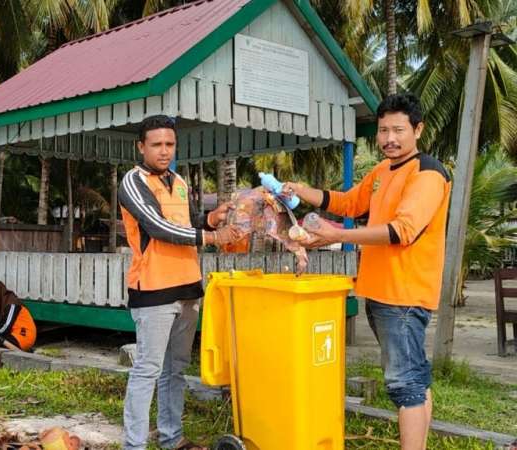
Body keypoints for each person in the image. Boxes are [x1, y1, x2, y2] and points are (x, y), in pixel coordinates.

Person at [283, 93, 451, 450]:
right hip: (378, 291)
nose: (389, 138)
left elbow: (401, 230)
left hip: (403, 294)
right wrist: (302, 192)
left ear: (417, 130)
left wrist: (338, 235)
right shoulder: (381, 171)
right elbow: (348, 202)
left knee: (405, 384)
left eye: (398, 130)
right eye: (383, 130)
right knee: (415, 379)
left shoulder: (428, 173)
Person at [118, 115, 242, 450]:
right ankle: (134, 445)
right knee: (148, 370)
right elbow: (158, 227)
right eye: (156, 144)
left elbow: (185, 222)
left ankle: (171, 439)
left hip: (188, 287)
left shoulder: (179, 181)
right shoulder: (132, 182)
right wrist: (212, 236)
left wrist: (209, 219)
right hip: (154, 291)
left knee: (175, 370)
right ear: (140, 146)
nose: (164, 151)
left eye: (169, 144)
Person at [0, 281, 37, 352]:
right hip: (15, 335)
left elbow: (4, 328)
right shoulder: (6, 303)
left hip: (23, 337)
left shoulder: (12, 305)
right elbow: (0, 327)